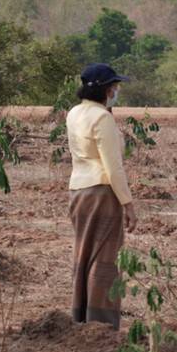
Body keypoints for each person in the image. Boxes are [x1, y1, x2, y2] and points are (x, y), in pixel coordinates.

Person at [66, 63, 136, 329]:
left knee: (83, 254)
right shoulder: (102, 118)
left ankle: (81, 316)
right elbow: (113, 166)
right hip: (102, 191)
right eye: (115, 87)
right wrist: (128, 204)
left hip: (78, 190)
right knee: (104, 258)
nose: (117, 91)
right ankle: (101, 323)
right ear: (107, 90)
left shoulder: (74, 113)